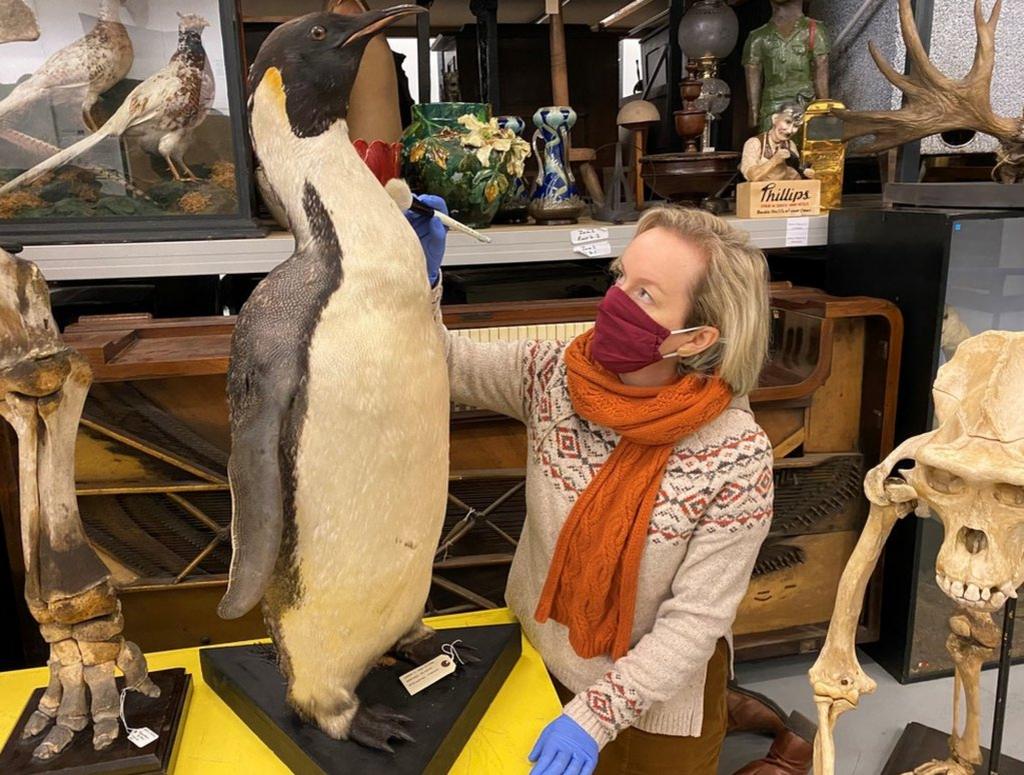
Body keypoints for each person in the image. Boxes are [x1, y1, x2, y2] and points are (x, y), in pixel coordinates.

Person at [406, 201, 774, 775]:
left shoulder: (736, 456)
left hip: (655, 708)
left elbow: (696, 620)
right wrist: (419, 277)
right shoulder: (556, 377)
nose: (616, 301)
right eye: (620, 277)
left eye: (646, 295)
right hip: (534, 661)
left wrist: (595, 716)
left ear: (696, 336)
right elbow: (441, 361)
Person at [743, 0, 830, 132]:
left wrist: (825, 109)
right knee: (772, 149)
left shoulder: (814, 30)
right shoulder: (757, 37)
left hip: (805, 107)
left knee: (803, 149)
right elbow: (752, 75)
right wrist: (753, 114)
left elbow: (821, 72)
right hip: (772, 109)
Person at [739, 102, 815, 182]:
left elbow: (794, 177)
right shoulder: (754, 143)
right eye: (787, 122)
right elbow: (752, 176)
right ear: (775, 119)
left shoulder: (790, 145)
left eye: (796, 126)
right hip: (758, 192)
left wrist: (805, 175)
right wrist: (774, 160)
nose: (789, 131)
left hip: (781, 193)